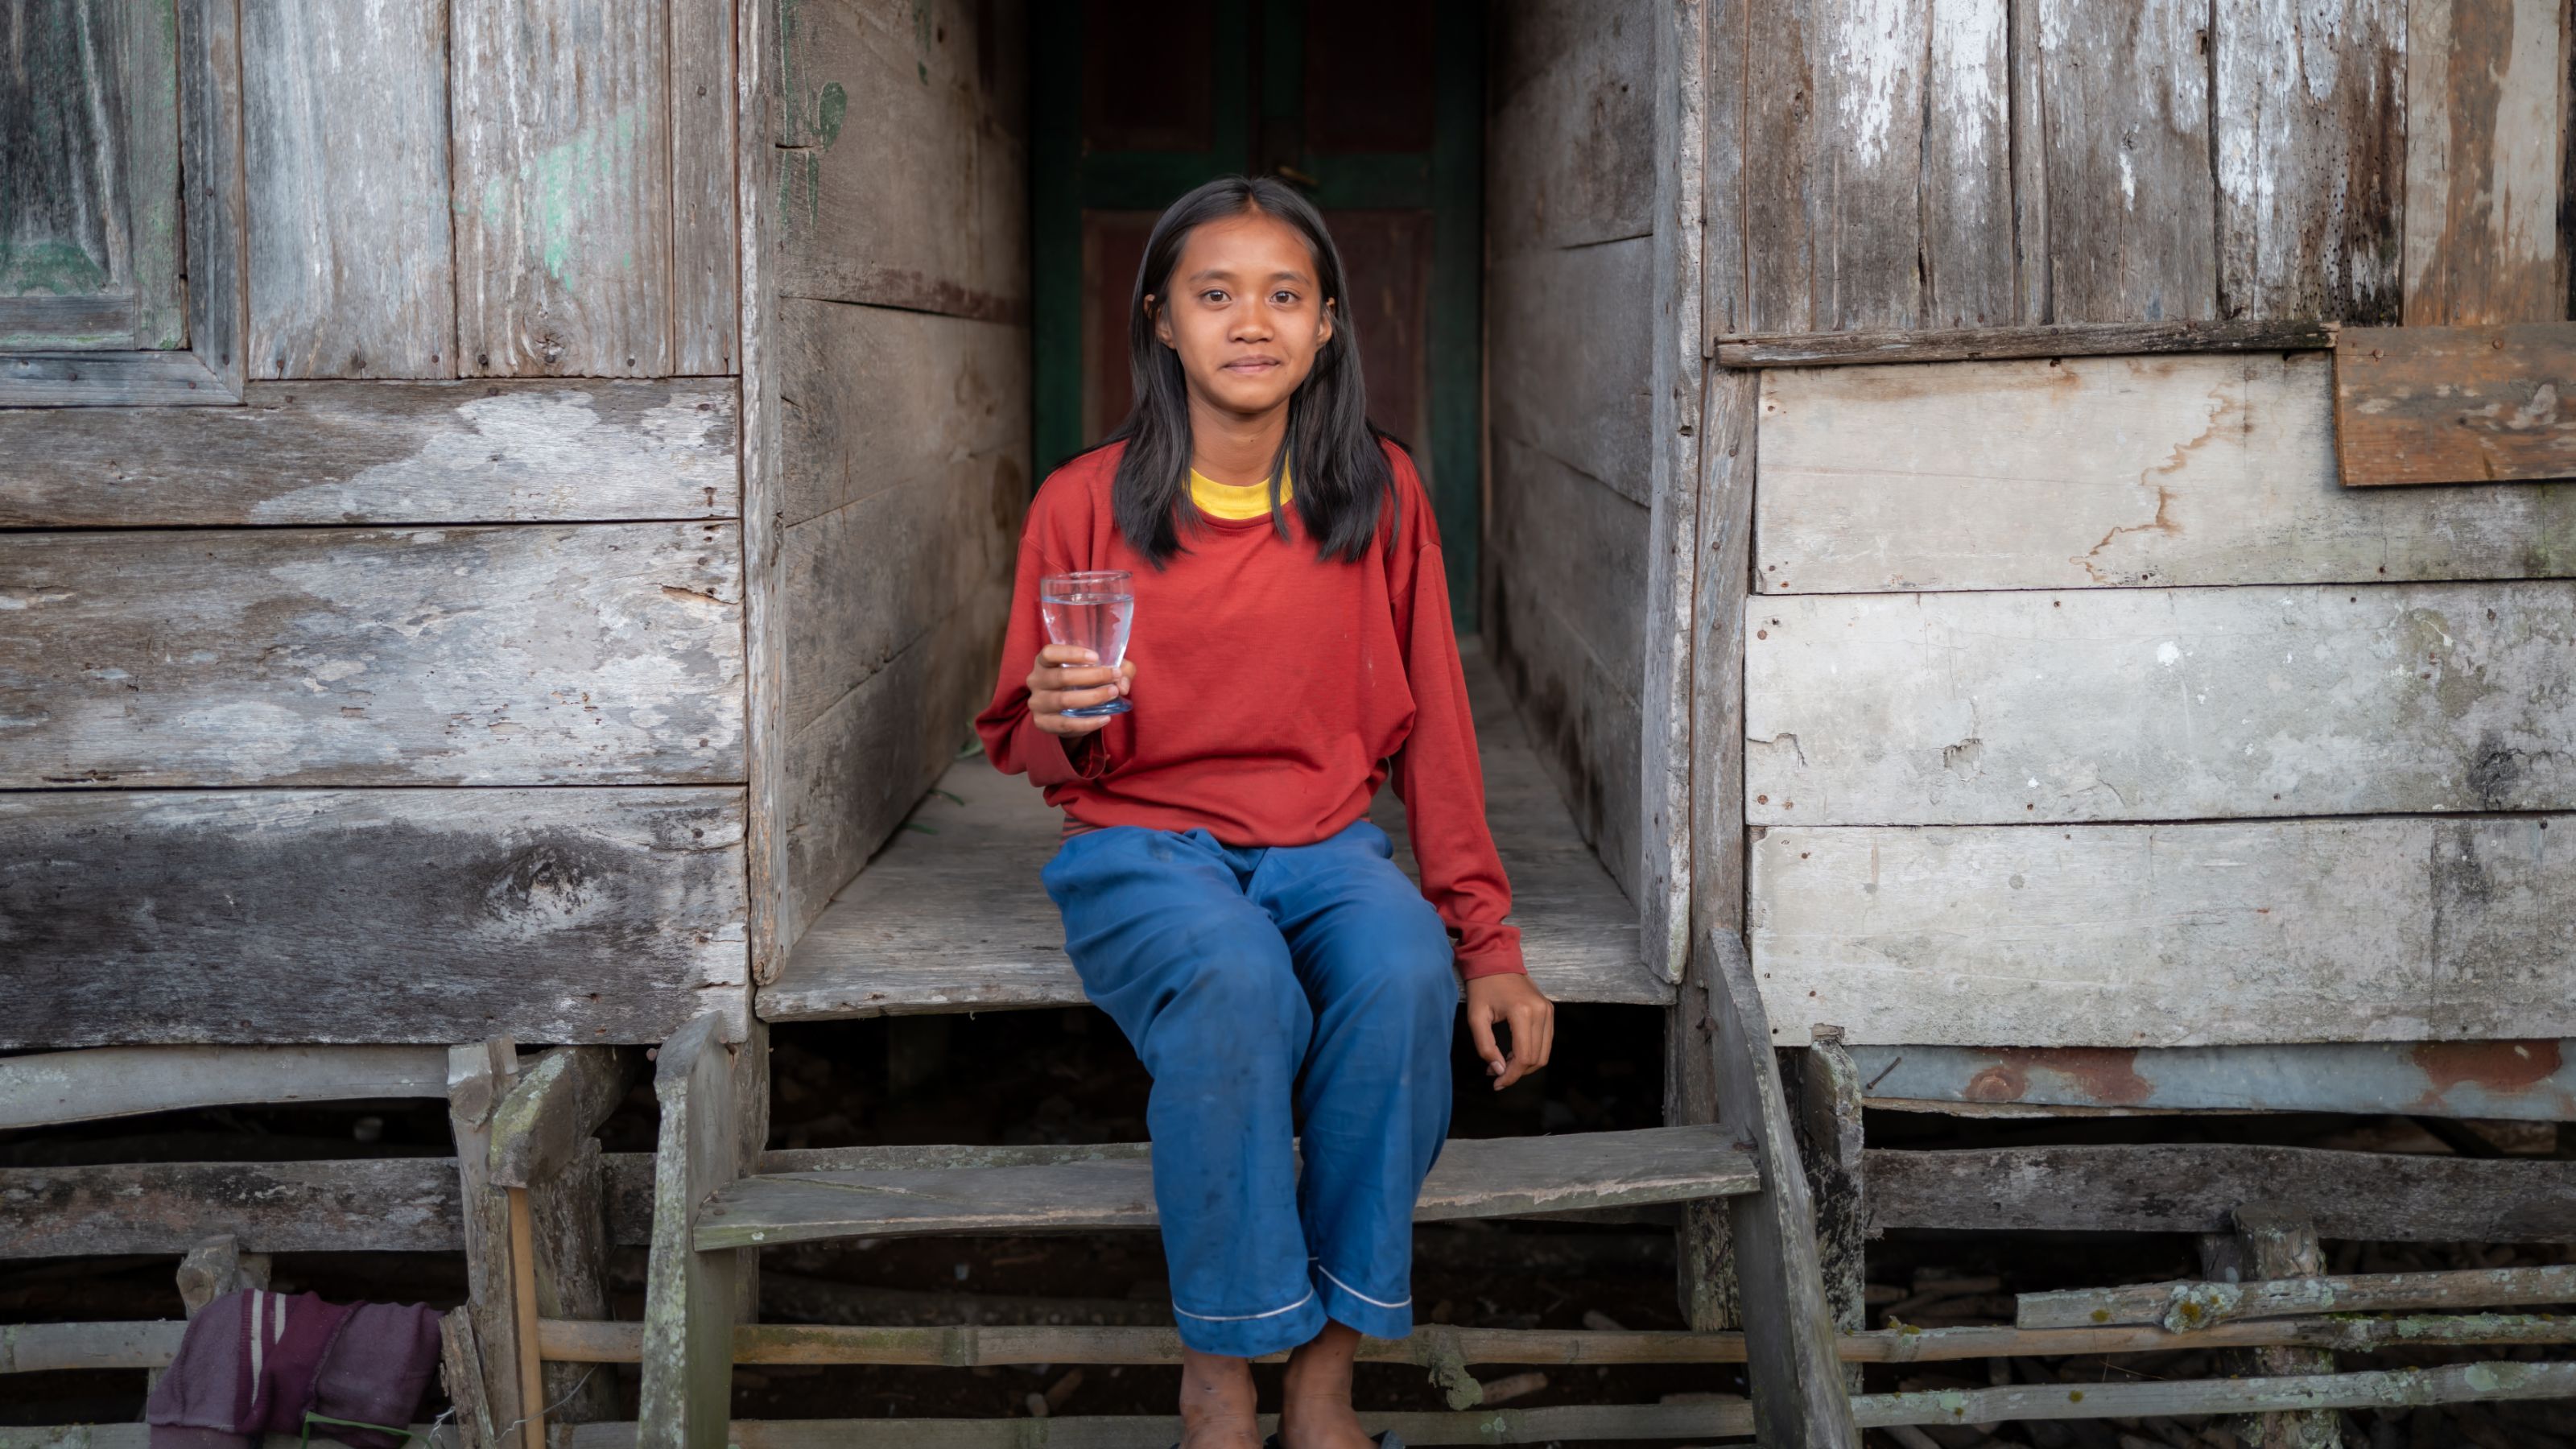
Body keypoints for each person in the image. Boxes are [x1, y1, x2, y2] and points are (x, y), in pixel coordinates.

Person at [973, 174, 1554, 1449]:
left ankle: (1328, 1381)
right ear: (1161, 324)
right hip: (1140, 845)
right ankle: (1221, 1384)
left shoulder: (1381, 495)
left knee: (1400, 973)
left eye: (1284, 295)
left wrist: (1487, 942)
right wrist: (1065, 714)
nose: (1251, 322)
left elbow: (1440, 736)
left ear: (1330, 324)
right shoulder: (1085, 502)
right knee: (1239, 985)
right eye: (1215, 294)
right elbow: (1022, 737)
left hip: (1325, 841)